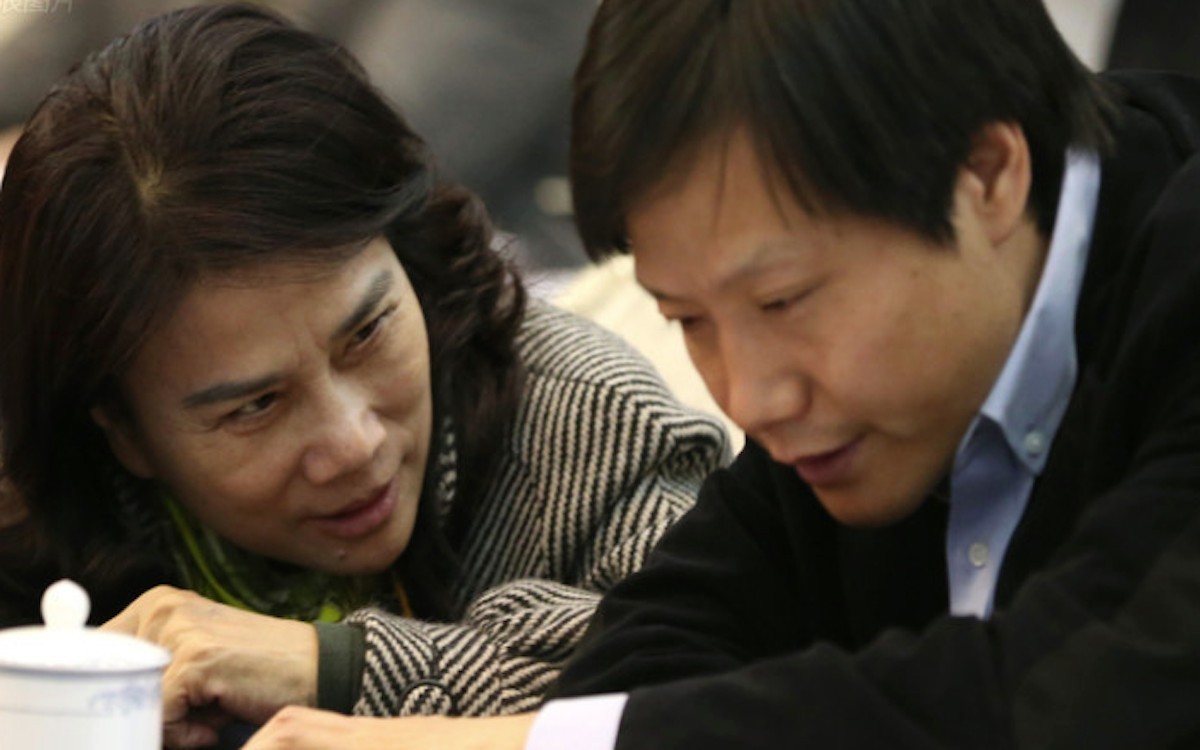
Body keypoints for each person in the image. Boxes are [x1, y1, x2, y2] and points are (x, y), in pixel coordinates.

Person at [228, 0, 1200, 747]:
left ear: (987, 173)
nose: (748, 398)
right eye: (689, 320)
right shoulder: (841, 409)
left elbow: (1097, 697)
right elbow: (646, 660)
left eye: (783, 301)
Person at [0, 3, 730, 747]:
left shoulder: (590, 425)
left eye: (368, 334)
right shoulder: (30, 505)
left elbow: (710, 694)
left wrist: (337, 666)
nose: (352, 445)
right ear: (123, 431)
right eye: (256, 406)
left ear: (407, 254)